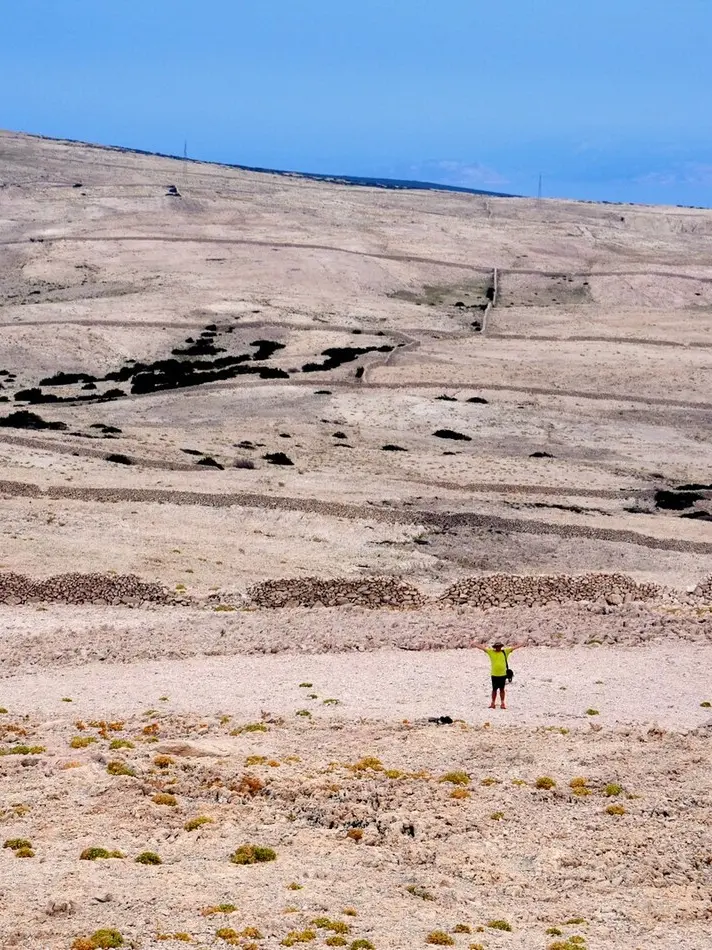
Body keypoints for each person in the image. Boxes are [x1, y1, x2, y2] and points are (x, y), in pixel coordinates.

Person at [471, 639, 527, 709]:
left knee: (502, 689)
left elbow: (514, 648)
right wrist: (474, 644)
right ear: (495, 647)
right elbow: (482, 648)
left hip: (502, 675)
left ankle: (502, 703)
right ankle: (493, 703)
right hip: (494, 674)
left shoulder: (505, 652)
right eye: (497, 647)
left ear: (501, 647)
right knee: (494, 690)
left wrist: (522, 644)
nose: (498, 648)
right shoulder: (491, 652)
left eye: (499, 646)